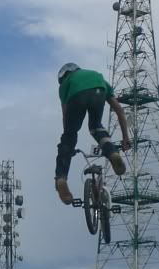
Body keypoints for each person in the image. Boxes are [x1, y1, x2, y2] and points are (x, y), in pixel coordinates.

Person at [53, 62, 132, 204]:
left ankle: (61, 179)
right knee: (96, 127)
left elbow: (65, 115)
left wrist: (68, 147)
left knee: (69, 135)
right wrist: (125, 137)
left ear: (64, 76)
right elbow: (119, 110)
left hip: (76, 96)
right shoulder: (97, 76)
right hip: (98, 91)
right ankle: (112, 153)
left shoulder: (66, 83)